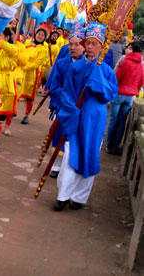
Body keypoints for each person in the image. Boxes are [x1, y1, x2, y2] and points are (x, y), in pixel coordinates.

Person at [54, 22, 118, 211]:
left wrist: (96, 81)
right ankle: (62, 195)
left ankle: (79, 197)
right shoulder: (75, 68)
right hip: (76, 115)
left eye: (94, 43)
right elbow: (66, 92)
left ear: (101, 46)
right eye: (87, 43)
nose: (89, 47)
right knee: (70, 155)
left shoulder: (105, 70)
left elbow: (111, 93)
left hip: (94, 118)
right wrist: (70, 110)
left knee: (90, 153)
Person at [44, 23, 85, 177]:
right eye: (71, 44)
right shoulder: (61, 64)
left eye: (77, 44)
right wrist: (68, 99)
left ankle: (68, 164)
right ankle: (56, 164)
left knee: (73, 136)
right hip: (63, 105)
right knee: (58, 134)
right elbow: (54, 86)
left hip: (79, 109)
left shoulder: (88, 66)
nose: (73, 47)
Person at [105, 41, 144, 154]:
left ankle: (108, 146)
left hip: (119, 94)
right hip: (130, 97)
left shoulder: (126, 61)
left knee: (113, 120)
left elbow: (116, 78)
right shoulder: (141, 65)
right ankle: (115, 146)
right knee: (122, 122)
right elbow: (141, 82)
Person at [0, 27, 19, 150]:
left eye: (0, 34)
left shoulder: (11, 48)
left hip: (4, 85)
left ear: (6, 37)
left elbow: (13, 51)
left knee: (0, 115)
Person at [18, 26, 49, 124]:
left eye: (42, 35)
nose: (40, 36)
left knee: (29, 97)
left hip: (33, 74)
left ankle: (26, 115)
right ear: (35, 34)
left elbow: (37, 64)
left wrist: (25, 67)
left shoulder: (43, 49)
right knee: (16, 91)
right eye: (39, 34)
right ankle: (12, 111)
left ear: (45, 38)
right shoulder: (27, 43)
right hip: (21, 72)